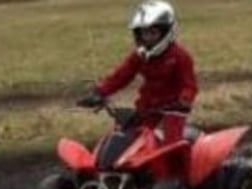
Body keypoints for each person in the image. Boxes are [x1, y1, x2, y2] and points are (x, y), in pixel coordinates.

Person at [77, 1, 198, 174]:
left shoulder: (180, 57)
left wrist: (184, 100)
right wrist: (100, 92)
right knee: (126, 140)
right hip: (147, 107)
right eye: (143, 33)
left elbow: (190, 85)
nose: (147, 38)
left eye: (152, 33)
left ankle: (181, 183)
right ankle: (129, 179)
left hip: (173, 109)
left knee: (172, 147)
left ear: (166, 32)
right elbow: (121, 76)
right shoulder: (139, 56)